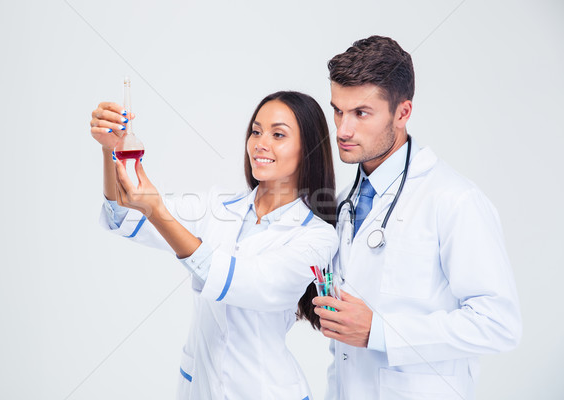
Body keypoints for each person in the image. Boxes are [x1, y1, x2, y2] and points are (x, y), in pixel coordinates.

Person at [90, 90, 338, 399]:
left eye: (278, 134)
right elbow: (124, 214)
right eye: (256, 131)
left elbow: (246, 281)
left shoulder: (316, 236)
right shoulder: (217, 205)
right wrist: (110, 150)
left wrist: (158, 211)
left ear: (308, 148)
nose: (261, 143)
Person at [312, 36, 522, 399]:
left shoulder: (454, 200)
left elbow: (498, 323)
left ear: (403, 112)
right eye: (338, 110)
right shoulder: (345, 203)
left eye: (361, 113)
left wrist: (381, 330)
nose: (343, 130)